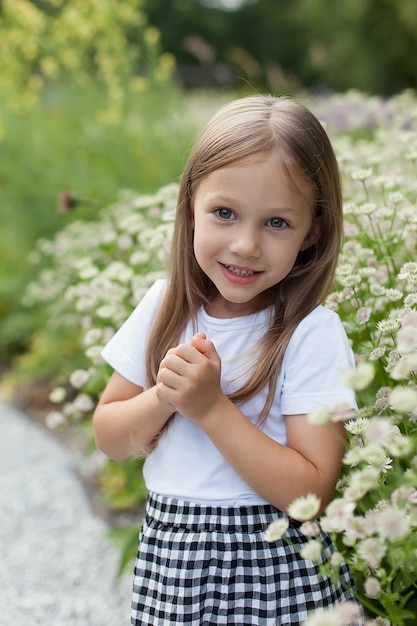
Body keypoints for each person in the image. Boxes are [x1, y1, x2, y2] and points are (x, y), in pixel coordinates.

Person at [93, 94, 361, 625]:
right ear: (190, 206)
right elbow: (110, 436)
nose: (245, 244)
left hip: (277, 564)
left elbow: (310, 490)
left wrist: (212, 409)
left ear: (313, 231)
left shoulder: (310, 332)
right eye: (224, 213)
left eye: (277, 223)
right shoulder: (165, 306)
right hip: (175, 564)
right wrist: (165, 398)